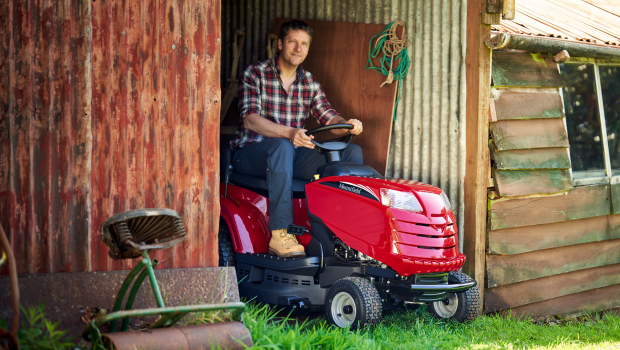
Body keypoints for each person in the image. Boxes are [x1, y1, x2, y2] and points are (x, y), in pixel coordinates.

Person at [231, 19, 364, 258]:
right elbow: (249, 119)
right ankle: (280, 233)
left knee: (351, 154)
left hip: (288, 155)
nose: (298, 48)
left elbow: (328, 117)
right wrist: (290, 133)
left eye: (304, 44)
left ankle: (343, 229)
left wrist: (347, 126)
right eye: (293, 42)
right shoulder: (256, 73)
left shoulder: (309, 82)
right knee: (283, 146)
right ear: (280, 44)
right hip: (250, 155)